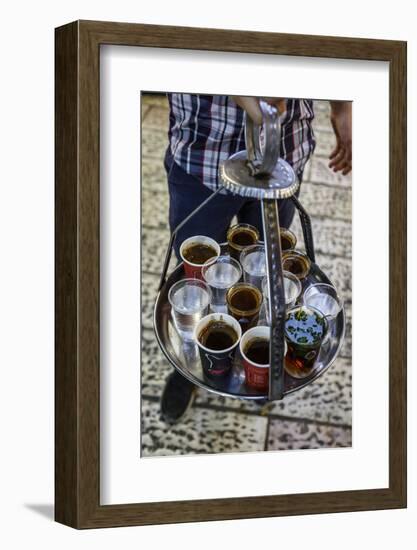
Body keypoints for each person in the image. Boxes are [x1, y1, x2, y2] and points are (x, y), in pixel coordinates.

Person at [160, 93, 352, 423]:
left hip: (283, 150)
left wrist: (341, 107)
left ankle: (258, 363)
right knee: (194, 274)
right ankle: (192, 363)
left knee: (265, 270)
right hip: (203, 146)